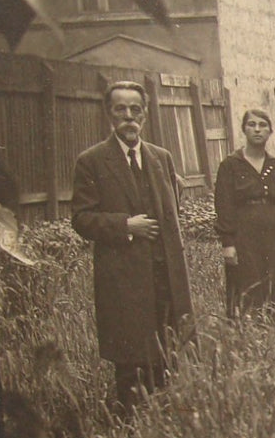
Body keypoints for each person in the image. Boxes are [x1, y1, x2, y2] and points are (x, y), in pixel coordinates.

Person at [71, 80, 194, 413]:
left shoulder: (161, 158)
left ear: (145, 113)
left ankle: (167, 418)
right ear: (109, 114)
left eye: (135, 109)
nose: (129, 116)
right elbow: (81, 218)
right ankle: (131, 423)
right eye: (121, 109)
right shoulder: (92, 161)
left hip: (165, 273)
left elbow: (173, 211)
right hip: (123, 276)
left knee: (168, 347)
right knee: (131, 354)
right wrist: (125, 225)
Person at [214, 109, 275, 315]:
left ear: (270, 131)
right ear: (244, 130)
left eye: (262, 125)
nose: (257, 129)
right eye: (251, 124)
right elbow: (224, 205)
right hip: (245, 237)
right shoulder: (230, 165)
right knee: (248, 286)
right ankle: (248, 332)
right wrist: (228, 243)